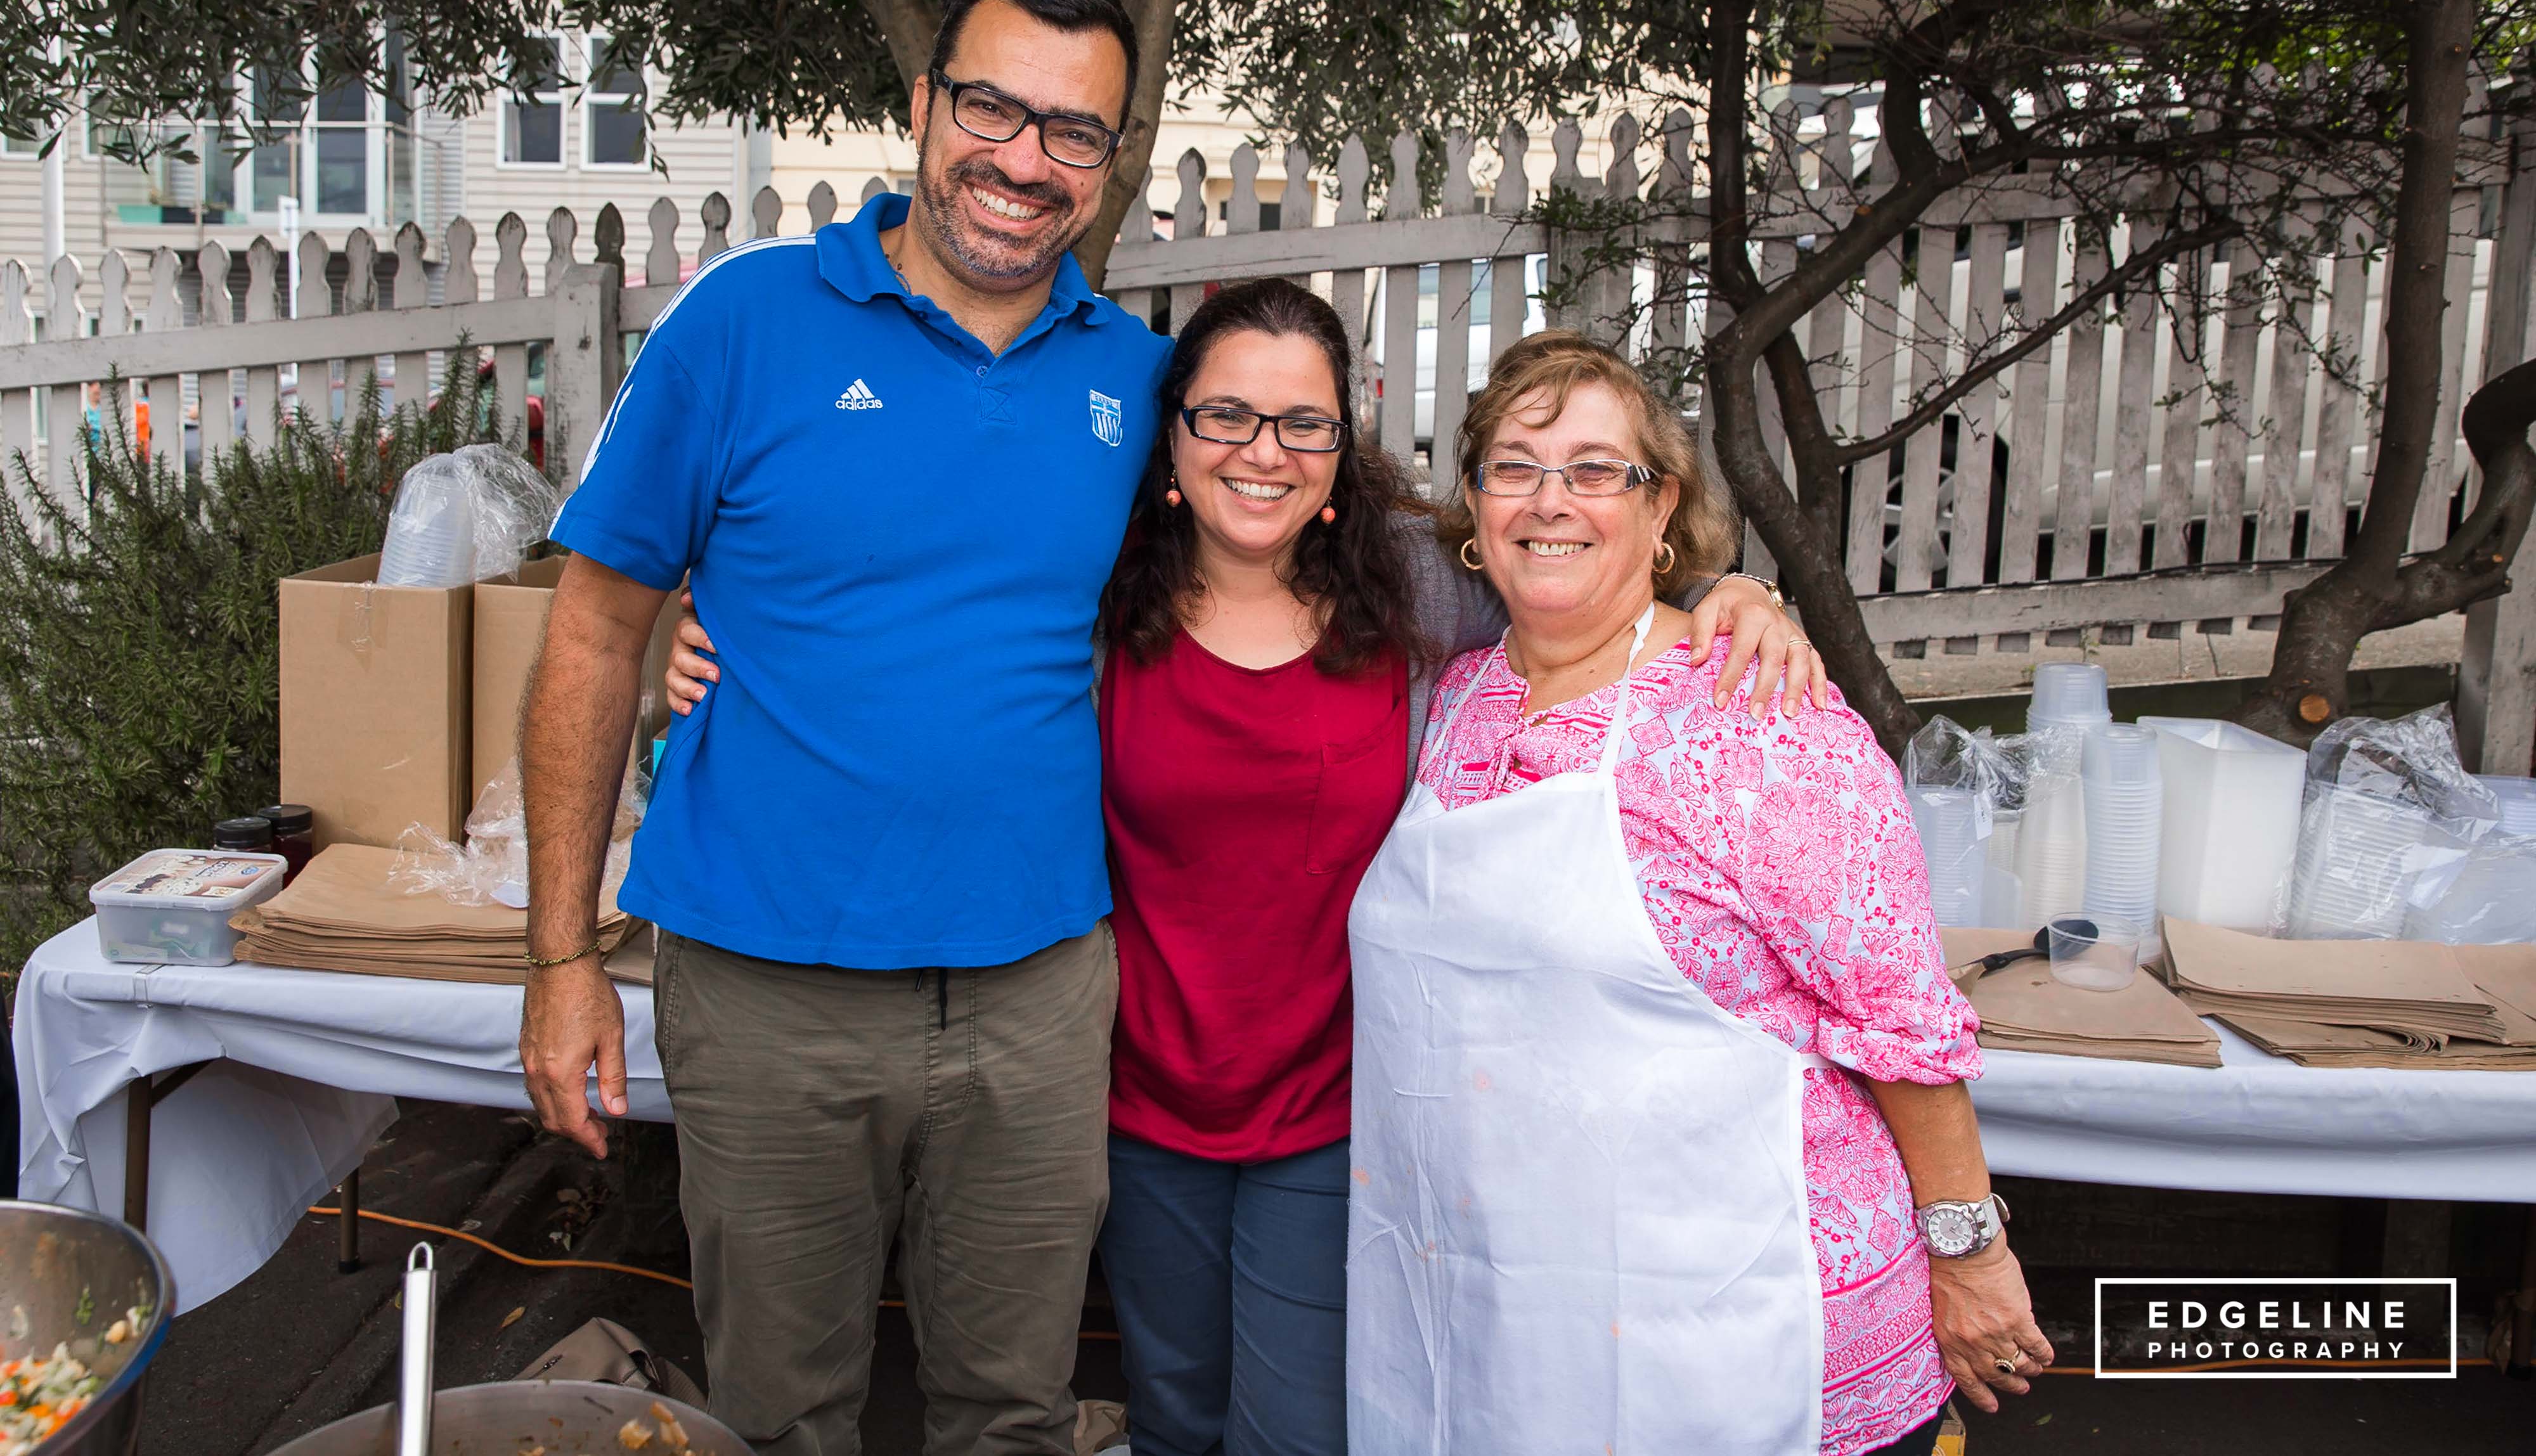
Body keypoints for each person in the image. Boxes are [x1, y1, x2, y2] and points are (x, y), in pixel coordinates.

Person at [666, 281, 1820, 1456]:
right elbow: (919, 612)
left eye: (1303, 423)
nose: (1264, 453)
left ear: (1342, 443)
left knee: (1297, 1435)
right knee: (1172, 1418)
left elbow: (1580, 574)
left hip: (1333, 1107)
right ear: (1171, 434)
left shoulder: (1417, 584)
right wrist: (721, 639)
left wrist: (1730, 595)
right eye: (1227, 416)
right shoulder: (1098, 584)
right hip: (1136, 1101)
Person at [519, 0, 1172, 1456]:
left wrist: (1685, 583)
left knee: (1009, 1413)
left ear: (1109, 157)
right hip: (769, 988)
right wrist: (557, 957)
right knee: (778, 1416)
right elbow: (595, 632)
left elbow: (1313, 544)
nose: (1023, 160)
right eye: (991, 108)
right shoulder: (742, 323)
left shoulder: (1137, 383)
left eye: (1072, 130)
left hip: (1036, 987)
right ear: (922, 102)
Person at [1349, 332, 2048, 1456]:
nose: (1549, 501)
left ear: (1661, 503)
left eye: (1595, 470)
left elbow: (1901, 1021)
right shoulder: (1461, 697)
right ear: (1473, 507)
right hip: (1519, 1322)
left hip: (1750, 1323)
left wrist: (1971, 1253)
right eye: (1515, 467)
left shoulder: (1761, 718)